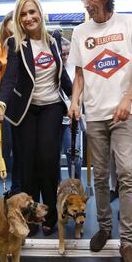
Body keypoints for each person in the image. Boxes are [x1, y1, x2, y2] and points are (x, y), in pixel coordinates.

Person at [68, 0, 132, 262]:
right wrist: (75, 101)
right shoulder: (79, 32)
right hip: (95, 115)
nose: (86, 2)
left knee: (126, 173)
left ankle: (127, 242)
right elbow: (79, 75)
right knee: (100, 178)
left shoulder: (129, 23)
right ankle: (104, 228)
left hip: (123, 114)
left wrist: (128, 99)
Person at [0, 0, 72, 236]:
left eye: (32, 12)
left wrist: (78, 101)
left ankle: (51, 212)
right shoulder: (16, 43)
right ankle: (31, 214)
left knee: (47, 160)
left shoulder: (54, 39)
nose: (28, 18)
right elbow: (10, 78)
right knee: (26, 164)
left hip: (52, 106)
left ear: (40, 13)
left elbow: (62, 77)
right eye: (23, 14)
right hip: (24, 110)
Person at [0, 11, 16, 192]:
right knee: (5, 142)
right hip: (2, 99)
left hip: (17, 99)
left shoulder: (19, 46)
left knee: (14, 142)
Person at [60, 37, 83, 179]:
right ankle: (56, 186)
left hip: (72, 116)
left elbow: (79, 90)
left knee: (74, 153)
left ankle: (76, 186)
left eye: (68, 54)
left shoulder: (74, 67)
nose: (66, 57)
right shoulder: (52, 66)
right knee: (51, 155)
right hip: (55, 115)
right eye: (63, 54)